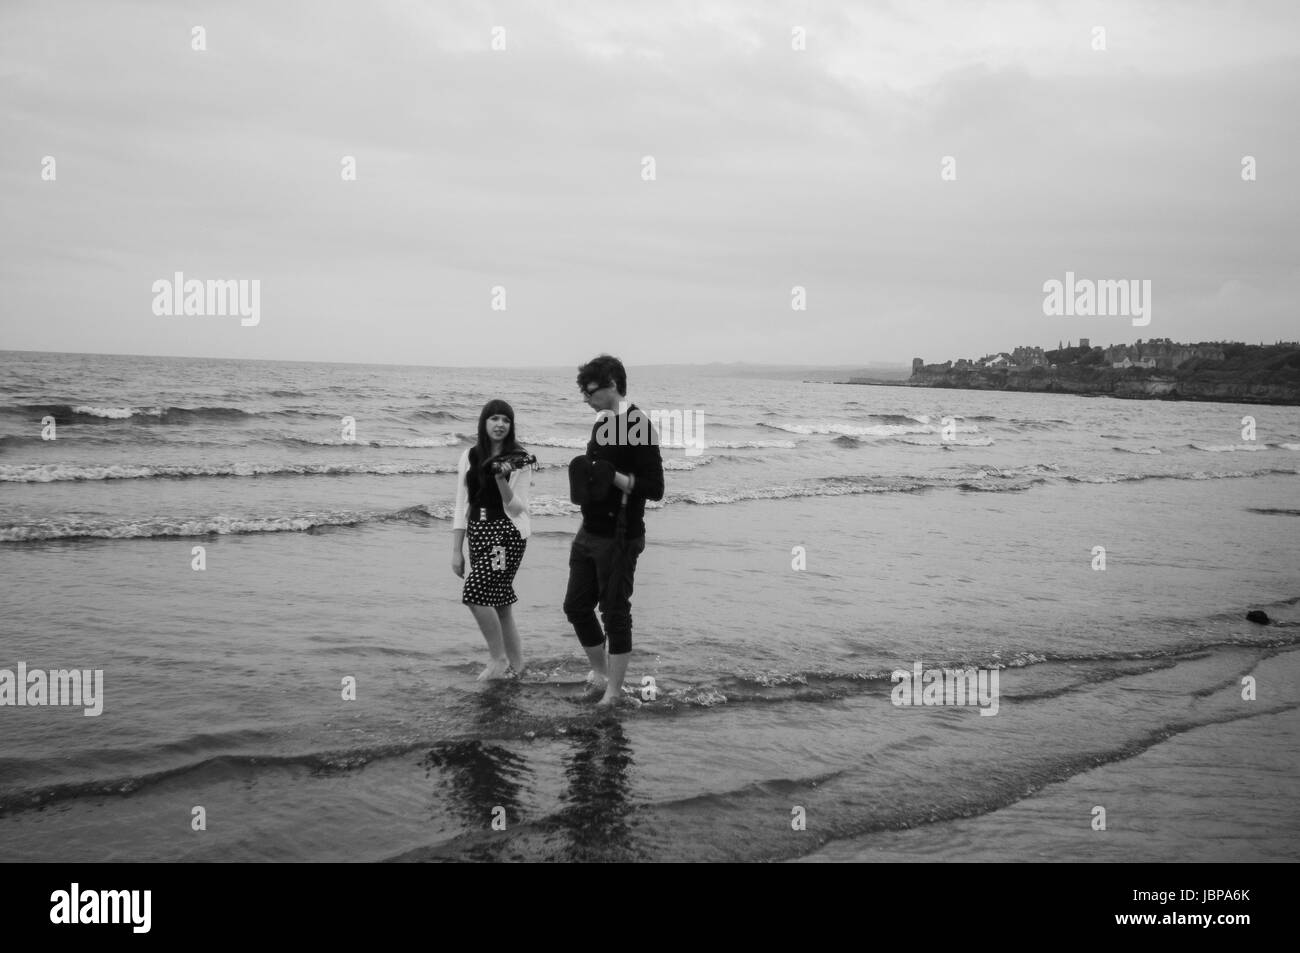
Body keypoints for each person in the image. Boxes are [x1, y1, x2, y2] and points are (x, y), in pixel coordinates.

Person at [563, 355, 665, 708]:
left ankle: (613, 693)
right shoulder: (601, 424)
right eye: (583, 393)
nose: (586, 399)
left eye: (590, 391)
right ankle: (601, 674)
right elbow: (595, 474)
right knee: (576, 606)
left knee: (614, 611)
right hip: (589, 530)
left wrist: (616, 477)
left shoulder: (637, 424)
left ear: (611, 384)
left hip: (620, 535)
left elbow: (655, 487)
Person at [452, 399, 534, 681]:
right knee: (499, 602)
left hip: (504, 536)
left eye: (506, 420)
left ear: (511, 426)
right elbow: (461, 503)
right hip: (477, 531)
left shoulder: (520, 459)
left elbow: (517, 508)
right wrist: (456, 550)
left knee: (475, 593)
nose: (500, 424)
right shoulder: (469, 456)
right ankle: (518, 666)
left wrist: (501, 479)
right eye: (494, 418)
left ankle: (498, 660)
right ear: (484, 422)